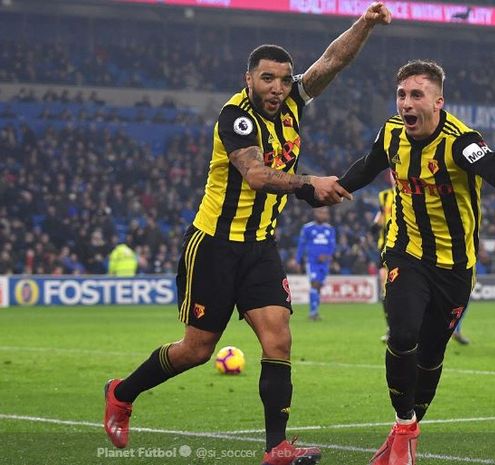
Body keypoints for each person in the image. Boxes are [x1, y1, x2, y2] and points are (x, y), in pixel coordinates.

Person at [102, 4, 392, 465]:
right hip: (215, 245)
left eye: (283, 79)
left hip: (260, 246)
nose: (277, 88)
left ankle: (276, 447)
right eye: (267, 79)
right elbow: (256, 175)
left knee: (278, 338)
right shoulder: (235, 118)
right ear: (249, 79)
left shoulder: (295, 101)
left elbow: (332, 61)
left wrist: (367, 23)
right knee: (197, 350)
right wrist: (308, 183)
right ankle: (121, 393)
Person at [328, 60, 495, 465]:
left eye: (416, 95)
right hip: (407, 250)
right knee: (403, 333)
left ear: (438, 102)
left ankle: (406, 432)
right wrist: (333, 188)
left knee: (432, 354)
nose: (406, 103)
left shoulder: (462, 142)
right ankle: (404, 425)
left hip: (456, 266)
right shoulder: (391, 132)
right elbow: (369, 166)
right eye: (401, 95)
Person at [295, 207, 336, 320]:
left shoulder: (330, 229)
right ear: (315, 213)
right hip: (312, 261)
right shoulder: (307, 228)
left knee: (319, 286)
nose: (323, 215)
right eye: (321, 212)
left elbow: (332, 246)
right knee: (315, 283)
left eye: (325, 213)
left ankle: (315, 311)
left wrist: (327, 256)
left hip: (325, 263)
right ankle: (313, 313)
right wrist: (298, 260)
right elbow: (301, 245)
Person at [372, 173, 395, 342]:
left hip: (407, 249)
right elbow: (378, 222)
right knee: (385, 288)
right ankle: (391, 329)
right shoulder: (384, 196)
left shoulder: (413, 194)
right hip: (385, 248)